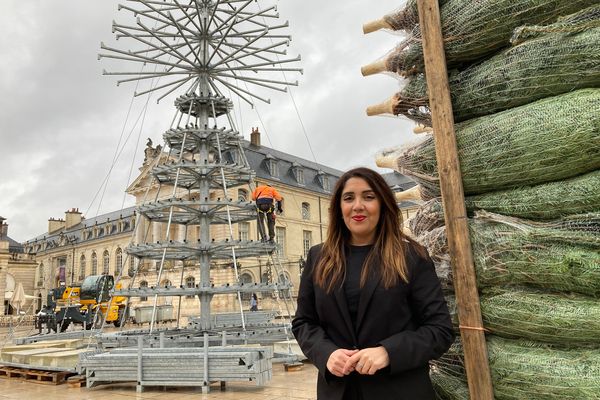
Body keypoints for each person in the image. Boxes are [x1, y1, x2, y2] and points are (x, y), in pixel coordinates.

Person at [292, 167, 454, 400]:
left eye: (368, 197)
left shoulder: (411, 256)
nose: (358, 205)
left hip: (399, 391)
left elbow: (440, 330)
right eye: (349, 198)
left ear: (383, 204)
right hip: (339, 392)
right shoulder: (319, 257)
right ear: (339, 208)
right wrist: (327, 354)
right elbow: (304, 322)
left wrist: (388, 352)